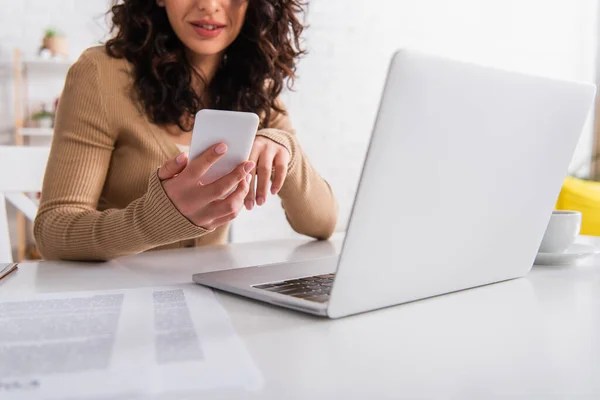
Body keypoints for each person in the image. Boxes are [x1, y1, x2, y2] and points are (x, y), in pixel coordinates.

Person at [33, 0, 338, 261]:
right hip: (114, 305)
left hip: (207, 304)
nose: (209, 6)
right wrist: (151, 221)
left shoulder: (256, 88)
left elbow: (323, 224)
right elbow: (53, 231)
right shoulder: (100, 74)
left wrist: (286, 148)